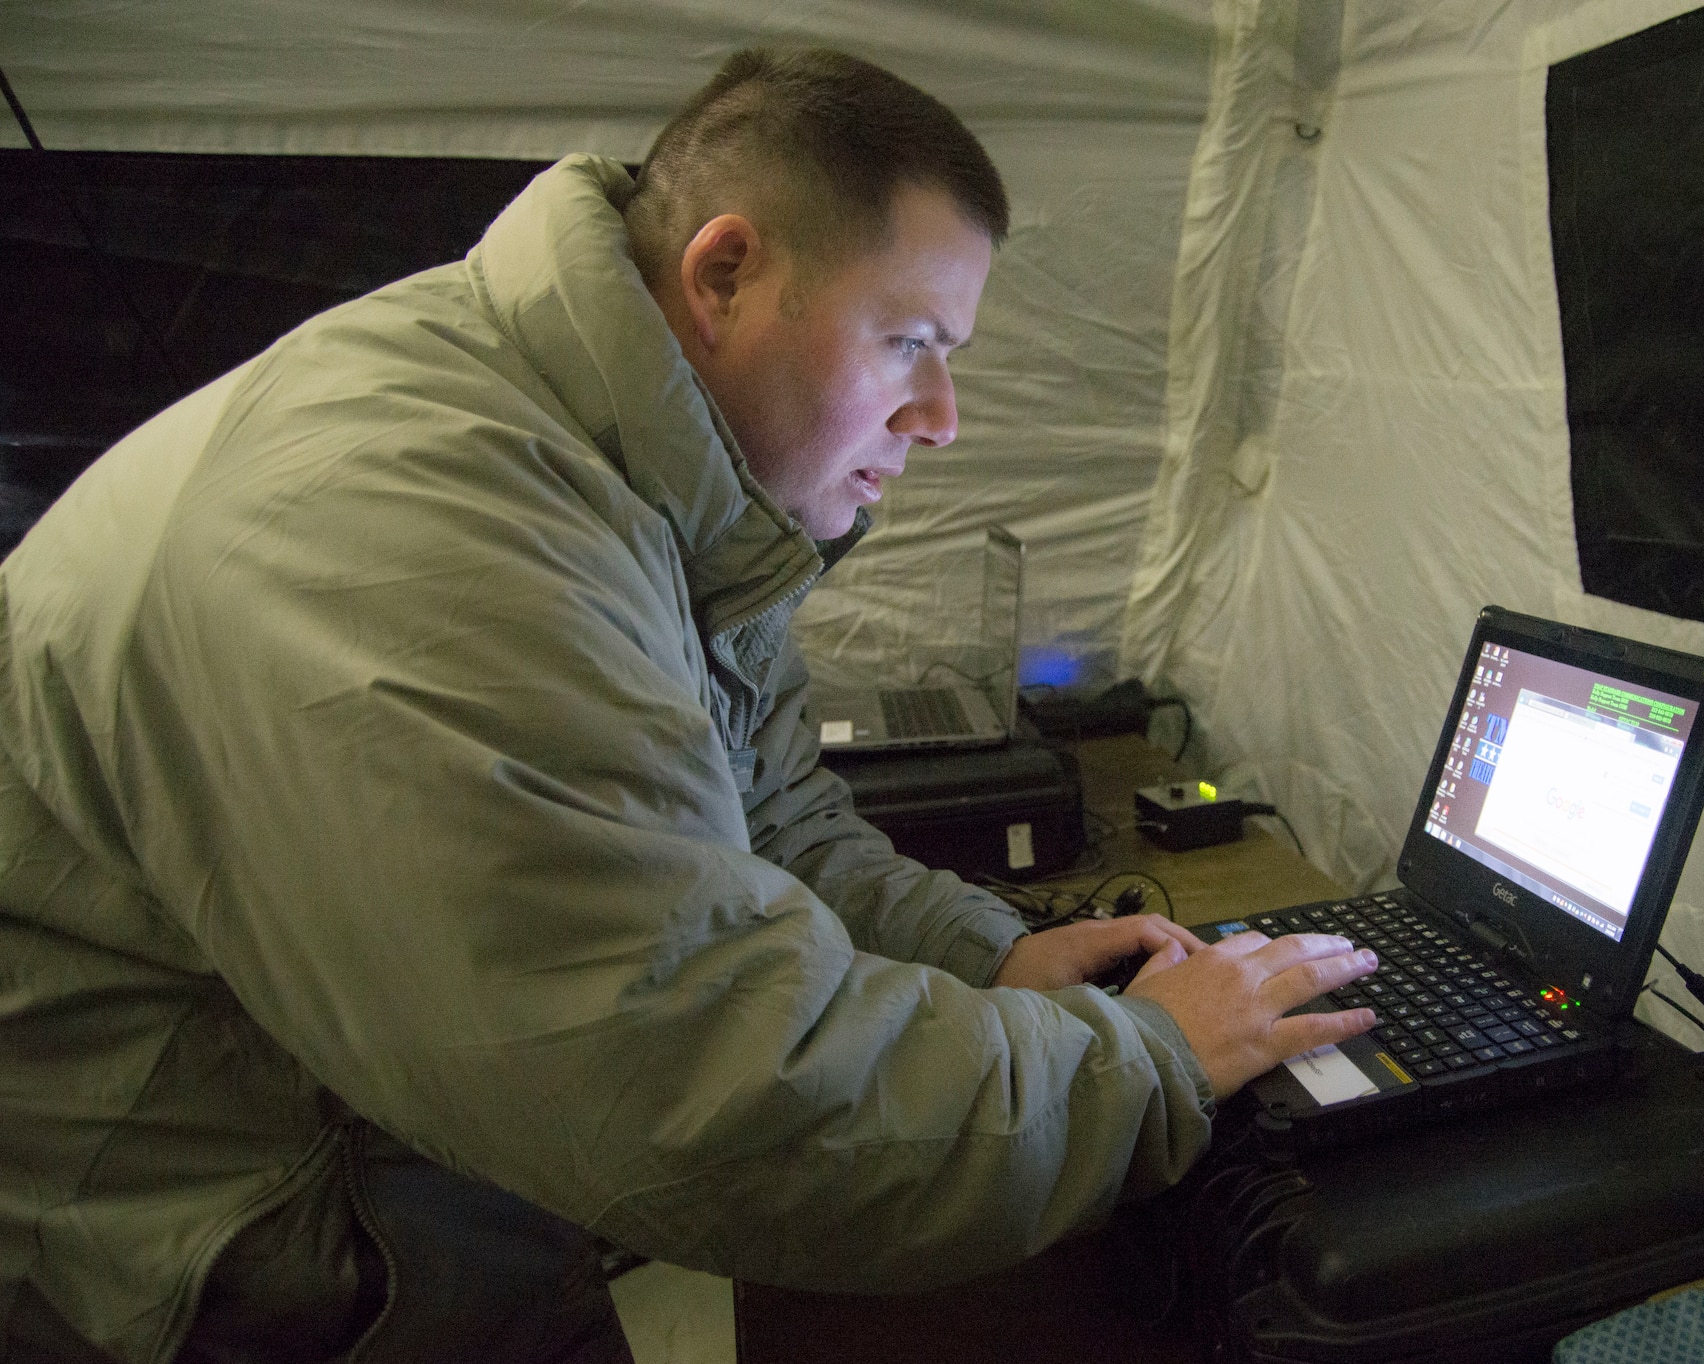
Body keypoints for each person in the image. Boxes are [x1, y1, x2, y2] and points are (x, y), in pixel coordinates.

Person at [0, 48, 1377, 1362]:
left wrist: (986, 959)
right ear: (724, 273)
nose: (944, 415)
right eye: (908, 342)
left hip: (350, 1099)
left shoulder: (636, 470)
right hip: (202, 1216)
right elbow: (708, 1094)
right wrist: (1142, 1066)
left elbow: (761, 812)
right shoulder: (444, 538)